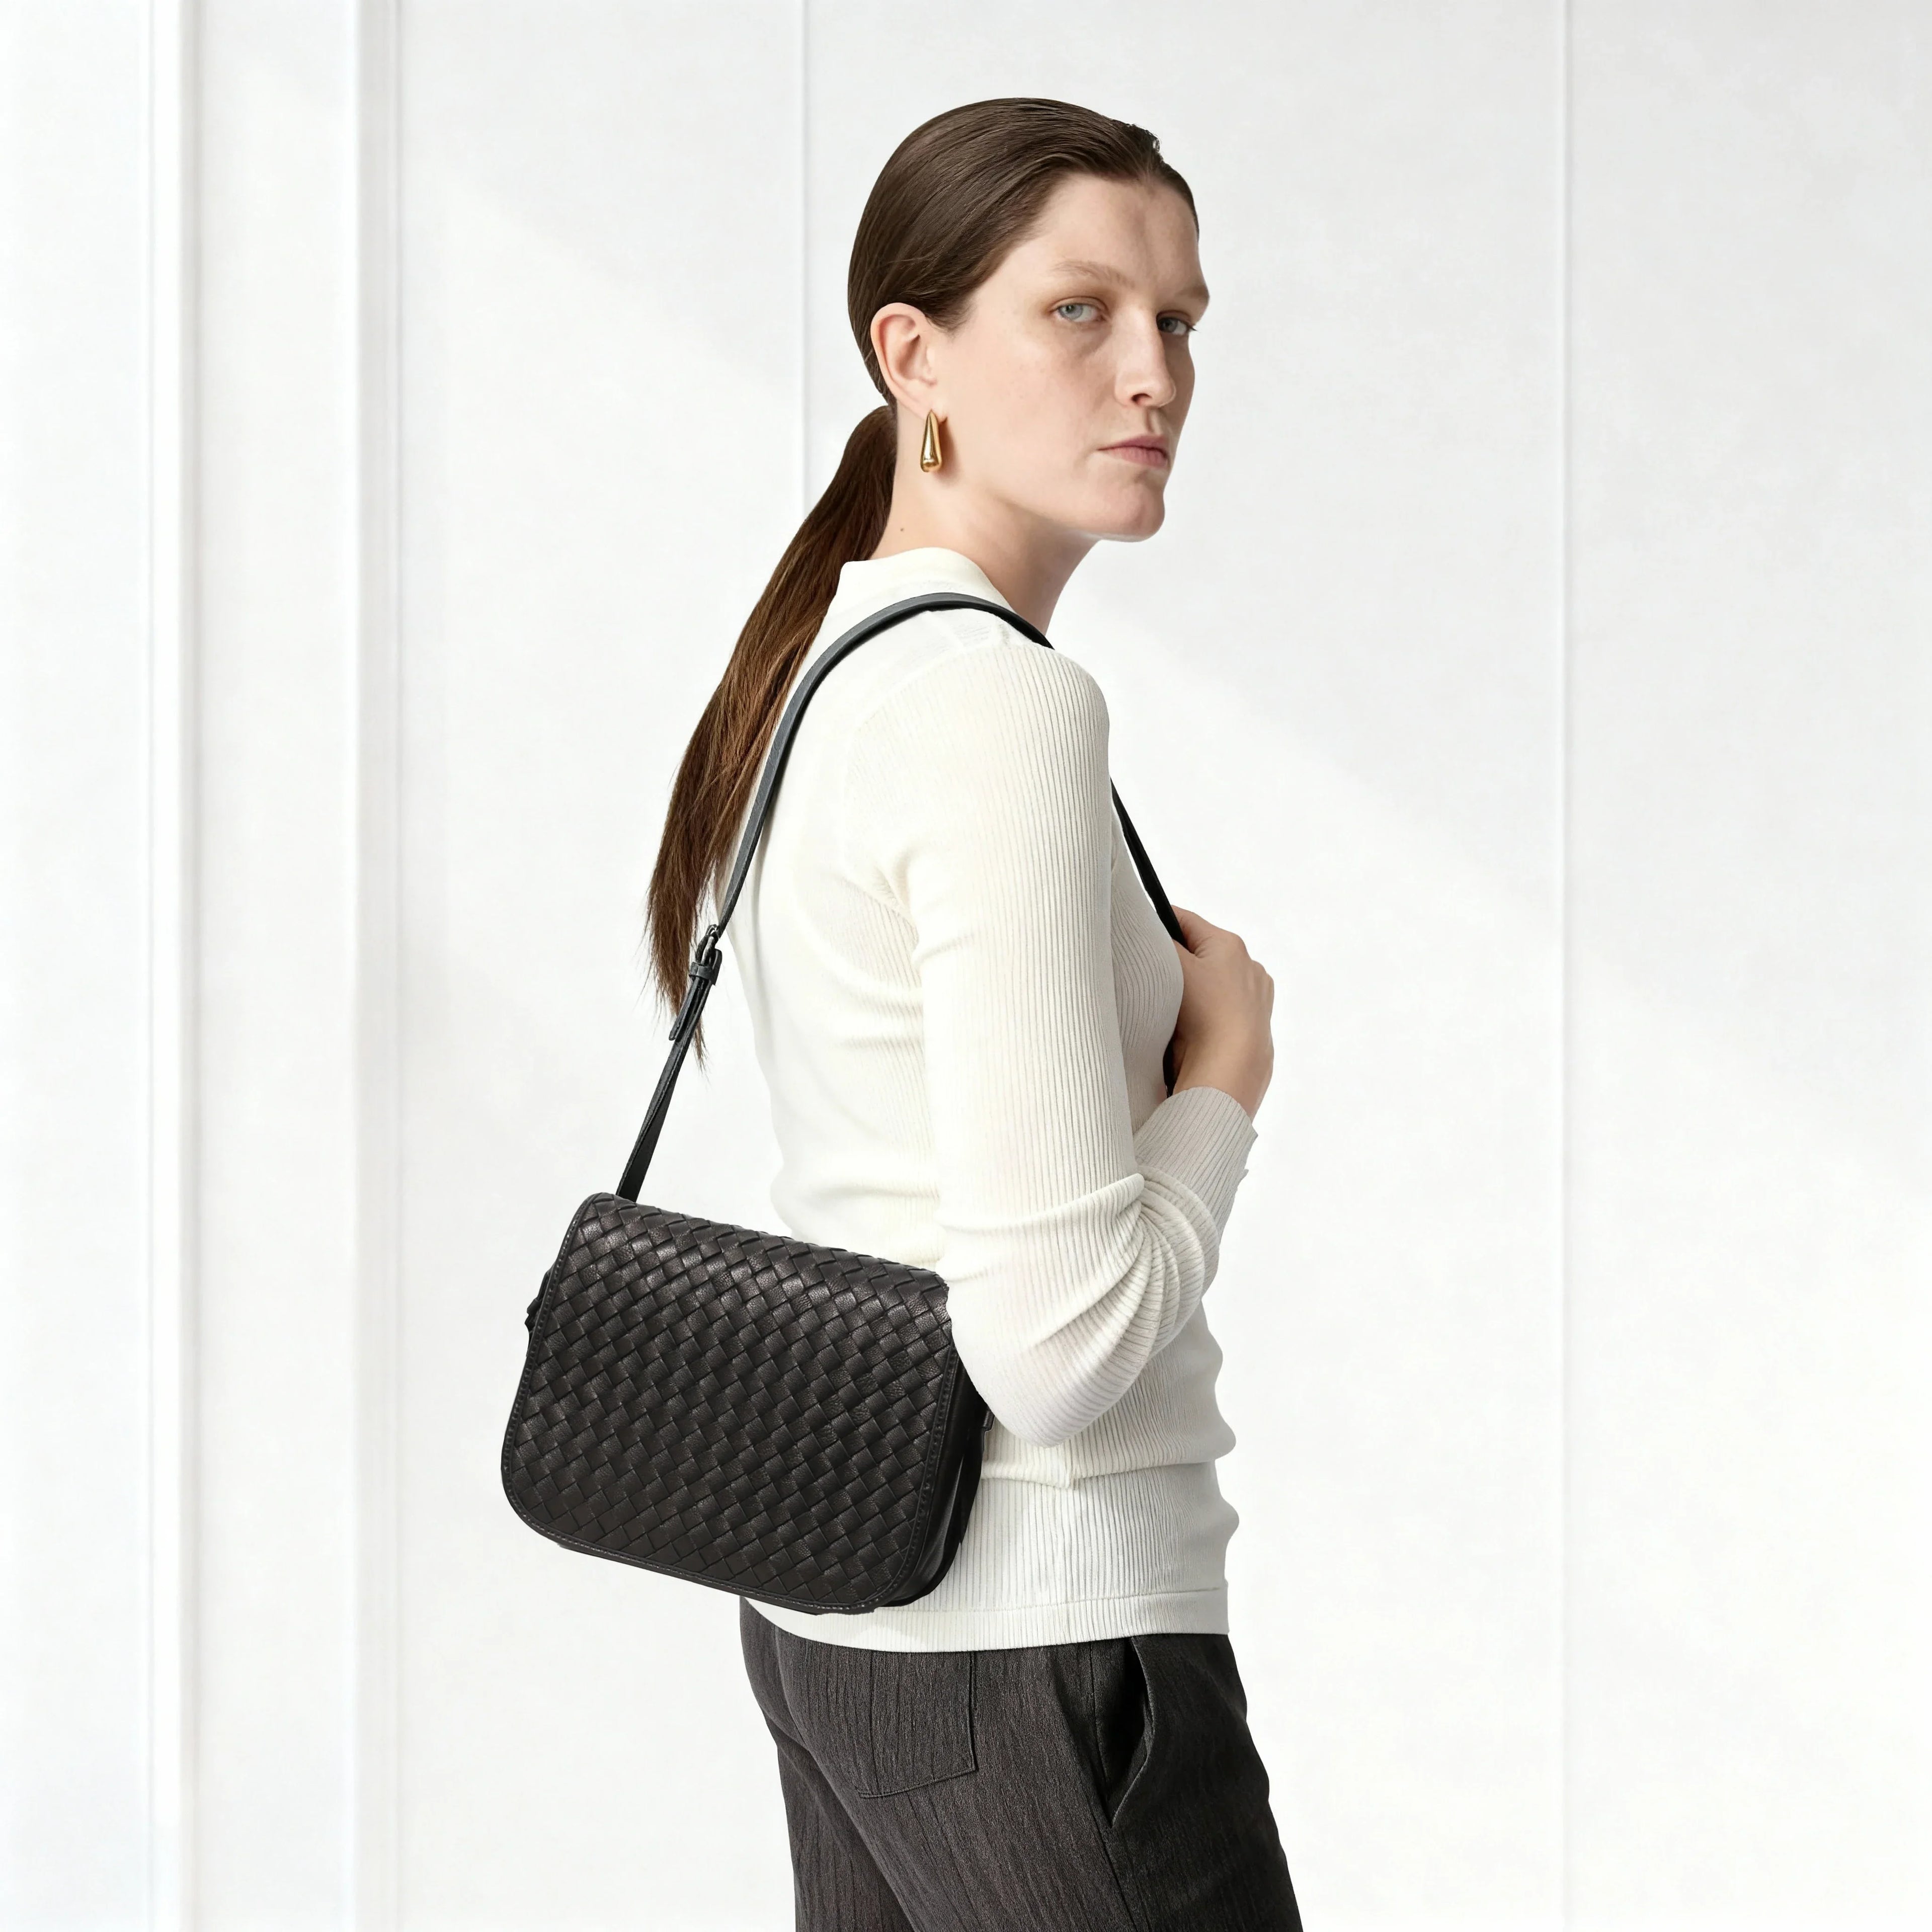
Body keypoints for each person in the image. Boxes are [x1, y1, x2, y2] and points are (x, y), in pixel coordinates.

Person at [646, 97, 1299, 1932]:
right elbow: (1059, 1342)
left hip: (849, 1624)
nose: (1152, 371)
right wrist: (1225, 1077)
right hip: (1048, 1635)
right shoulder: (1001, 709)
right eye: (1078, 312)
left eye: (1179, 320)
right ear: (911, 356)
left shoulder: (820, 674)